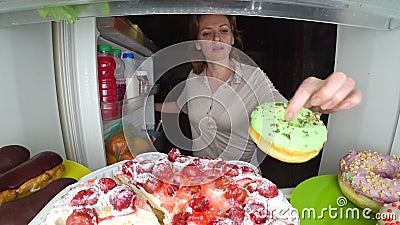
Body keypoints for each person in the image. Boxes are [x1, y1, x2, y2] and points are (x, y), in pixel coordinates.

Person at [155, 14, 362, 165]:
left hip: (240, 179)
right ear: (198, 43)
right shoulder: (193, 79)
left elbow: (283, 110)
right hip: (201, 174)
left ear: (232, 39)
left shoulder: (253, 77)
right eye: (207, 33)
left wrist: (312, 105)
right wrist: (148, 105)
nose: (216, 38)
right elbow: (182, 105)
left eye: (223, 31)